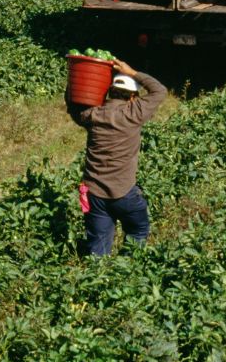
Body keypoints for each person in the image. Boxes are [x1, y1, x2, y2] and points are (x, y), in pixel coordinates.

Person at [66, 60, 166, 256]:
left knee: (97, 246)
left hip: (92, 193)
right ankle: (125, 270)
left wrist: (75, 80)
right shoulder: (133, 113)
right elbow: (159, 91)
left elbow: (72, 104)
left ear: (109, 93)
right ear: (132, 98)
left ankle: (98, 278)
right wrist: (132, 71)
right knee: (138, 230)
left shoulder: (93, 115)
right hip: (124, 192)